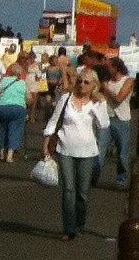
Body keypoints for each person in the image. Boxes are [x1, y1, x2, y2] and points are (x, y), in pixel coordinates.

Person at [42, 69, 110, 240]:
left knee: (83, 192)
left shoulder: (97, 103)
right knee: (69, 189)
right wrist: (46, 143)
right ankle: (69, 228)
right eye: (79, 81)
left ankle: (80, 224)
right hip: (65, 149)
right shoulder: (66, 99)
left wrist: (99, 104)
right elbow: (53, 121)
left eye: (86, 82)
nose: (81, 84)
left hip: (87, 151)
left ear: (94, 85)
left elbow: (104, 124)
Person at [99, 57, 136, 187]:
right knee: (100, 149)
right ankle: (93, 176)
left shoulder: (128, 80)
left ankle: (122, 178)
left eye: (109, 67)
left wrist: (106, 89)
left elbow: (119, 98)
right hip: (107, 119)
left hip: (122, 120)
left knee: (122, 153)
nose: (107, 70)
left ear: (116, 68)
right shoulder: (107, 81)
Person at [0, 54, 30, 163]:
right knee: (15, 129)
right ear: (19, 73)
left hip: (2, 107)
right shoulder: (22, 83)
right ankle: (9, 155)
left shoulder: (2, 80)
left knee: (2, 129)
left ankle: (2, 152)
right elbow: (29, 97)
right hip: (18, 108)